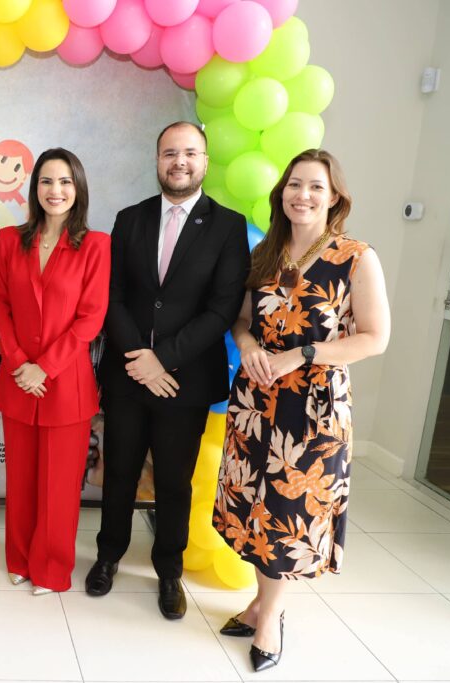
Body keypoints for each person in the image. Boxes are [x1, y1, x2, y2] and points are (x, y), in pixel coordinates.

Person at [214, 149, 389, 671]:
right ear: (282, 192)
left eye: (316, 186)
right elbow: (241, 320)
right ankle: (258, 603)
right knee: (253, 509)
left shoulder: (356, 257)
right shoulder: (266, 252)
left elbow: (374, 338)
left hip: (313, 410)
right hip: (257, 401)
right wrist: (248, 346)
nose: (303, 195)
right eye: (294, 184)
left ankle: (270, 618)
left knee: (288, 515)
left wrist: (302, 354)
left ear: (334, 197)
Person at [87, 122, 250, 619]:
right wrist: (140, 356)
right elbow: (111, 296)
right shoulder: (130, 219)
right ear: (157, 160)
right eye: (170, 153)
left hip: (185, 379)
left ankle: (168, 571)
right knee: (119, 472)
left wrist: (164, 358)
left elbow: (223, 308)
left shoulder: (227, 226)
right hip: (128, 374)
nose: (179, 161)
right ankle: (108, 556)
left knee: (175, 482)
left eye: (190, 153)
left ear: (205, 161)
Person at [0, 148, 109, 594]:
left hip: (65, 383)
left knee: (58, 487)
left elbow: (91, 318)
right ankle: (19, 559)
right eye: (46, 181)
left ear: (78, 189)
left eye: (64, 182)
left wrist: (46, 368)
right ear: (34, 188)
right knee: (21, 479)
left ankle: (51, 568)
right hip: (19, 379)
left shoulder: (95, 245)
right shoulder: (10, 239)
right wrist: (20, 363)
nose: (55, 191)